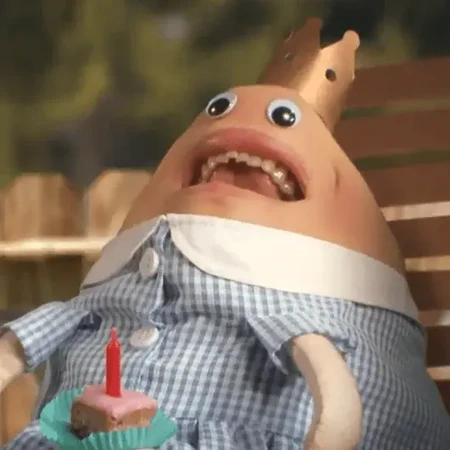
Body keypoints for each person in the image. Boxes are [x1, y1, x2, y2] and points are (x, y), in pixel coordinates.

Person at [0, 18, 448, 450]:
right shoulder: (109, 298)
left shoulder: (312, 318)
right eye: (219, 108)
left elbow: (338, 411)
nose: (239, 116)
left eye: (282, 116)